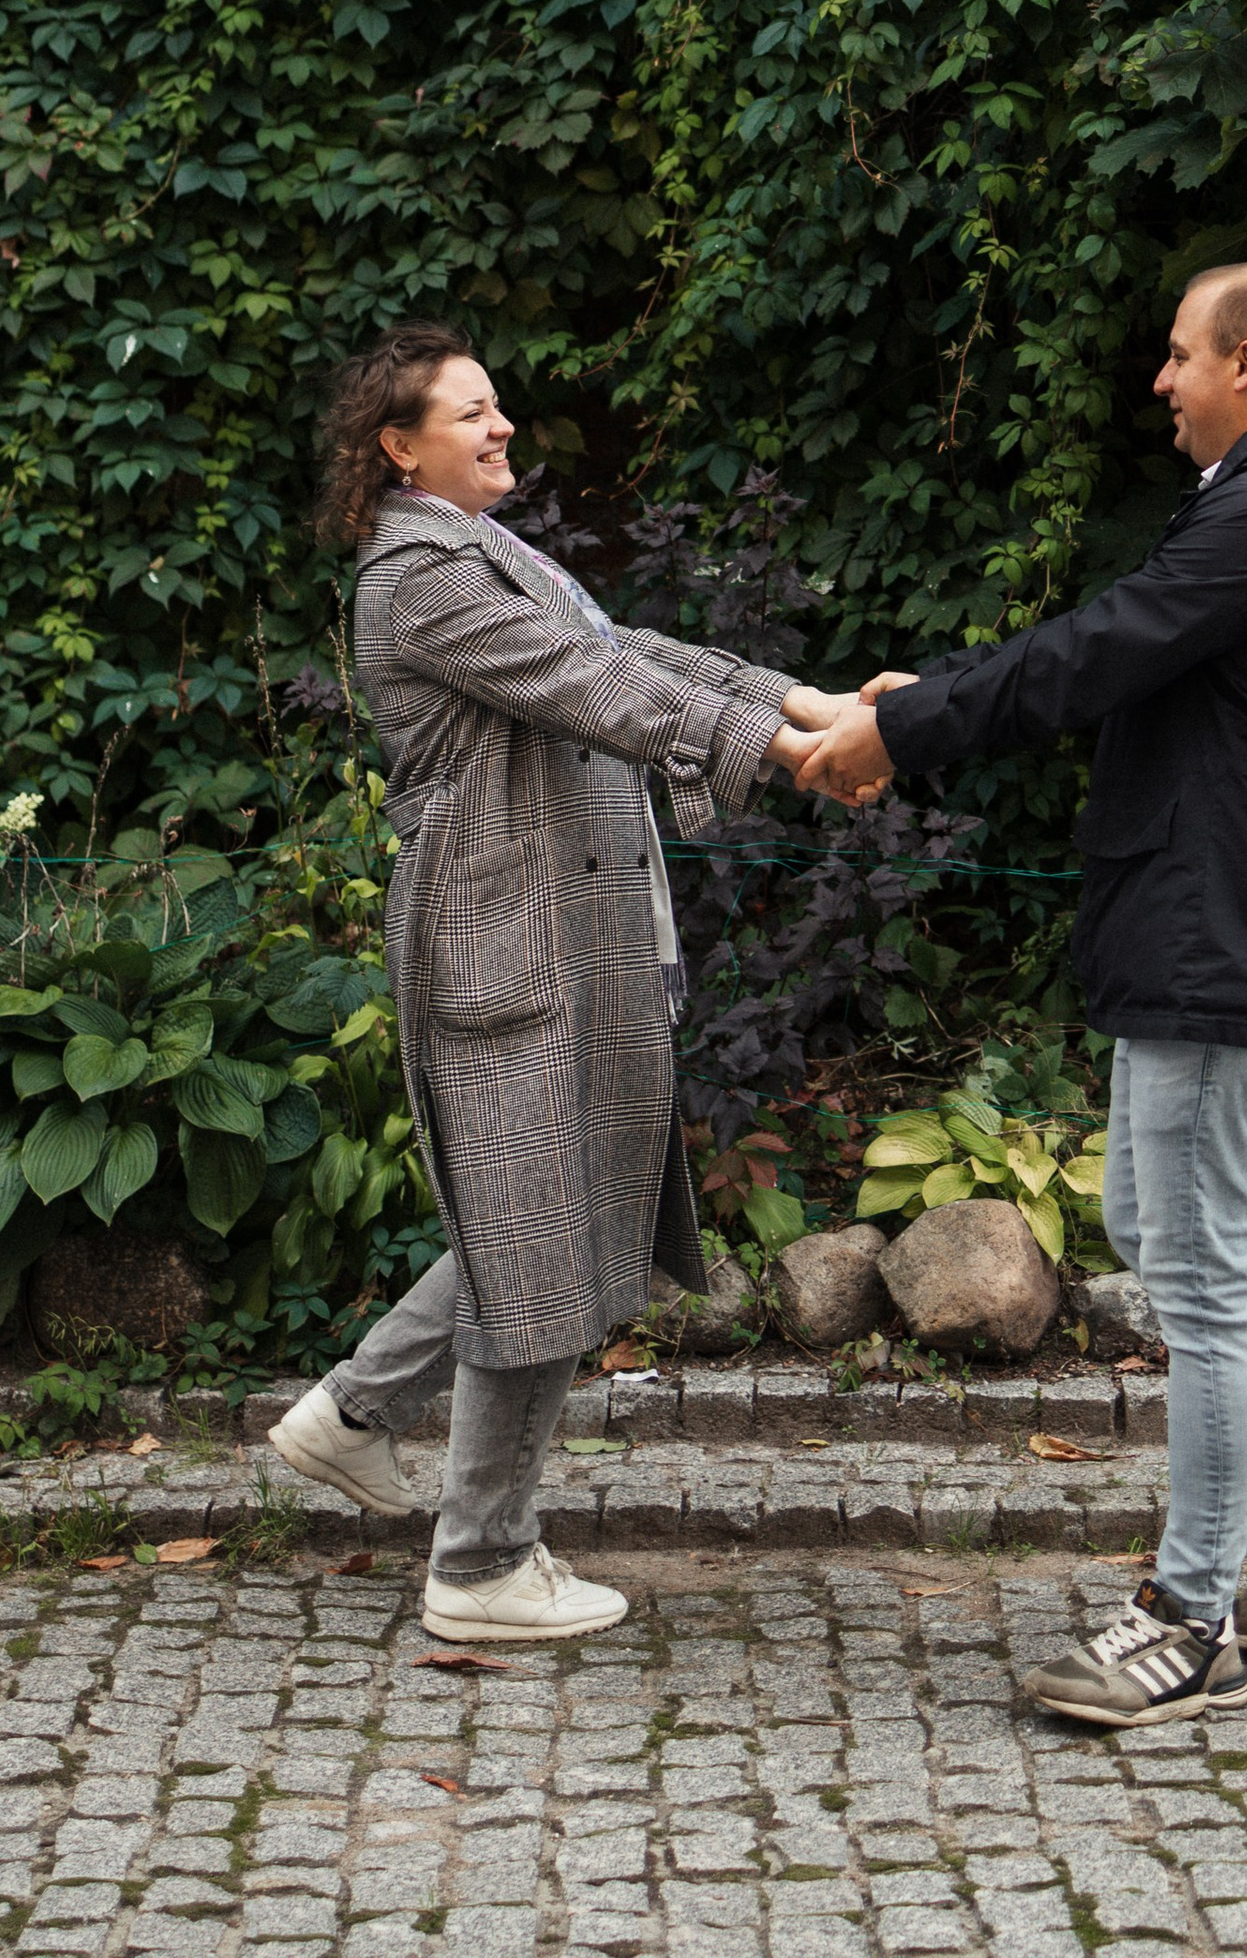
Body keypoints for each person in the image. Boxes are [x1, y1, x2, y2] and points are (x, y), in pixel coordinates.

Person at [795, 260, 1247, 1728]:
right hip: (1208, 923)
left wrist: (904, 734)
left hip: (1227, 937)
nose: (1161, 380)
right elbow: (1115, 650)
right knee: (1161, 1236)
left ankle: (1188, 1619)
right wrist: (913, 703)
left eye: (1179, 356)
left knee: (1197, 1276)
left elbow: (1092, 655)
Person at [268, 318, 831, 1639]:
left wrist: (801, 702)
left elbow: (626, 648)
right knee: (534, 1239)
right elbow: (594, 689)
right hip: (504, 944)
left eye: (497, 403)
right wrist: (787, 754)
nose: (501, 424)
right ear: (399, 449)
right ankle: (480, 1569)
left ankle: (351, 1416)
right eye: (471, 414)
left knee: (542, 1213)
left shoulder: (482, 551)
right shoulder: (420, 579)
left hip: (560, 937)